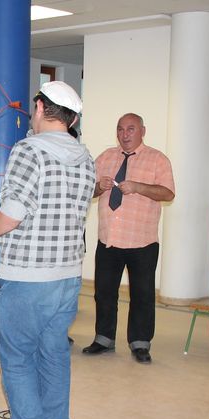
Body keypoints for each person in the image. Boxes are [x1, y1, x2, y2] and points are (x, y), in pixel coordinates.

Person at [0, 82, 95, 419]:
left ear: (39, 107)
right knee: (54, 354)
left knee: (18, 357)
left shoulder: (29, 150)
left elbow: (14, 211)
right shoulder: (86, 157)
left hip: (27, 277)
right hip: (68, 276)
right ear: (71, 119)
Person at [83, 113, 175, 364]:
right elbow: (88, 190)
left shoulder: (157, 159)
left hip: (142, 241)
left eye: (131, 129)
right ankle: (104, 338)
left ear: (143, 131)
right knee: (104, 293)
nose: (125, 134)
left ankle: (140, 343)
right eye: (120, 129)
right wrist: (98, 187)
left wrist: (138, 187)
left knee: (142, 295)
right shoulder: (105, 157)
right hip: (109, 240)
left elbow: (168, 193)